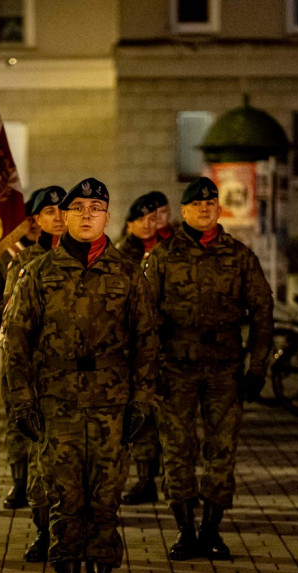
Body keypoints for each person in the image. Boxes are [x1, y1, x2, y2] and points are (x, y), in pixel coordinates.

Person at [3, 177, 159, 573]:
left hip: (112, 405)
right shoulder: (38, 273)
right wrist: (22, 402)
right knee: (65, 503)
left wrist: (143, 402)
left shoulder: (129, 271)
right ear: (65, 217)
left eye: (97, 207)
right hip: (57, 403)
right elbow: (17, 343)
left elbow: (148, 341)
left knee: (105, 504)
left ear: (107, 216)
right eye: (79, 208)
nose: (88, 214)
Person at [143, 176, 273, 562]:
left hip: (224, 369)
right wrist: (148, 370)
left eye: (211, 204)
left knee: (222, 450)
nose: (204, 209)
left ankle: (212, 530)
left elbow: (263, 312)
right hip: (176, 370)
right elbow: (145, 317)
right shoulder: (164, 257)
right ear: (184, 212)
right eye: (197, 205)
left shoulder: (239, 256)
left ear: (219, 209)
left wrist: (258, 368)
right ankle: (184, 530)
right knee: (177, 450)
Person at [0, 184, 66, 562]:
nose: (58, 217)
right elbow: (14, 328)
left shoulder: (86, 259)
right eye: (50, 212)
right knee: (42, 464)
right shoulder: (23, 265)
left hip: (83, 381)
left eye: (63, 210)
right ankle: (44, 532)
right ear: (36, 220)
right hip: (41, 378)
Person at [116, 192, 165, 506]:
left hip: (160, 345)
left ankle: (159, 479)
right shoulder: (123, 254)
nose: (148, 225)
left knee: (161, 415)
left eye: (153, 218)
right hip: (131, 346)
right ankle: (143, 478)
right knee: (139, 415)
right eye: (142, 220)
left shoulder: (164, 251)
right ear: (130, 223)